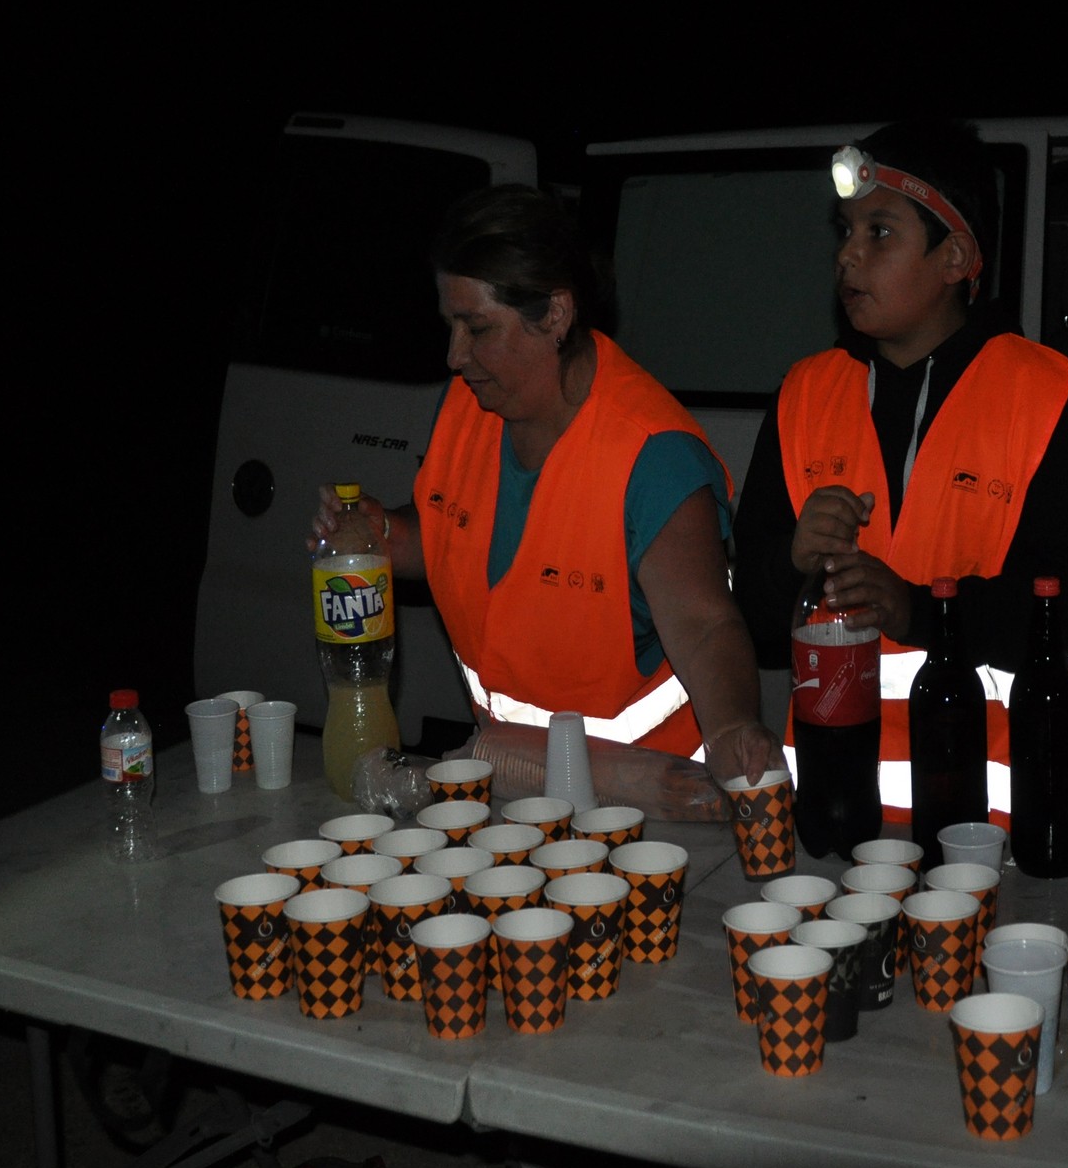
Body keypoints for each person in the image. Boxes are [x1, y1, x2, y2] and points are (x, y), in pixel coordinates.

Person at [310, 183, 781, 791]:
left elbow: (705, 625)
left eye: (477, 328)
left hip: (642, 806)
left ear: (555, 314)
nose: (455, 355)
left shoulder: (652, 457)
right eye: (450, 325)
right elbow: (459, 540)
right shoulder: (469, 404)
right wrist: (382, 535)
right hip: (513, 788)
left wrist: (734, 728)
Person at [734, 120, 1068, 825]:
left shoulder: (1044, 393)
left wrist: (918, 611)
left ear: (954, 256)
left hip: (990, 819)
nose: (847, 255)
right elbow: (749, 615)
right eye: (845, 231)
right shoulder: (805, 394)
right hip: (834, 810)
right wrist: (792, 561)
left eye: (880, 233)